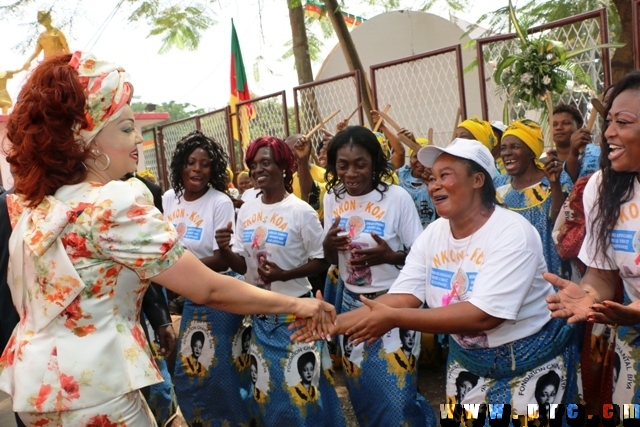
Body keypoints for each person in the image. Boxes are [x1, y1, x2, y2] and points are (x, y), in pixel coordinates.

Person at [0, 52, 335, 426]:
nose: (139, 138)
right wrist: (300, 307)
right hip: (96, 392)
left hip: (35, 390)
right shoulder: (113, 203)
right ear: (86, 139)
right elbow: (208, 289)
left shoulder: (35, 209)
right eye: (126, 128)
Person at [309, 138, 581, 421]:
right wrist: (331, 323)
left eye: (445, 176)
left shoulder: (512, 233)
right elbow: (404, 295)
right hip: (467, 364)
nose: (433, 185)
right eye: (432, 178)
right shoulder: (435, 234)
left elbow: (483, 316)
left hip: (529, 367)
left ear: (477, 180)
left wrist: (394, 318)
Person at [215, 136, 345, 427]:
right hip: (261, 322)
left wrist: (282, 275)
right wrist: (224, 248)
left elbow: (322, 261)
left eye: (266, 163)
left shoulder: (300, 211)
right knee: (267, 397)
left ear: (283, 167)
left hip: (297, 321)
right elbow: (243, 265)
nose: (258, 170)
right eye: (253, 164)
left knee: (303, 400)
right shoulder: (246, 209)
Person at [320, 125, 435, 427]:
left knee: (397, 394)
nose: (351, 173)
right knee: (362, 389)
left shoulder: (397, 198)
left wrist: (390, 256)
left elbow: (422, 258)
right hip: (350, 306)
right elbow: (332, 261)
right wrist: (329, 246)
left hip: (393, 306)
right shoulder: (333, 197)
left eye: (360, 164)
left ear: (375, 163)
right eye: (342, 165)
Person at [546, 71, 640, 406]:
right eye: (609, 121)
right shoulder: (602, 186)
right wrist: (587, 294)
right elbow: (601, 273)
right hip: (632, 330)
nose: (610, 132)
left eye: (623, 122)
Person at [162, 130, 250, 426]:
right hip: (179, 295)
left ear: (213, 170)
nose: (197, 169)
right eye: (191, 162)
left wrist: (181, 276)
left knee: (219, 370)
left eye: (205, 164)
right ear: (180, 165)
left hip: (216, 294)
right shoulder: (169, 200)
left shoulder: (220, 202)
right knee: (188, 370)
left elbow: (222, 256)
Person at [494, 119, 572, 278]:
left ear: (531, 151)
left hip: (548, 268)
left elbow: (562, 225)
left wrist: (555, 184)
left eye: (515, 147)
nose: (507, 153)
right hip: (509, 268)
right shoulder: (499, 185)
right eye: (503, 148)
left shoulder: (557, 179)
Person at [395, 133, 437, 229]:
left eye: (425, 158)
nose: (420, 162)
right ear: (409, 160)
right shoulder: (400, 176)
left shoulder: (437, 180)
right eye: (415, 157)